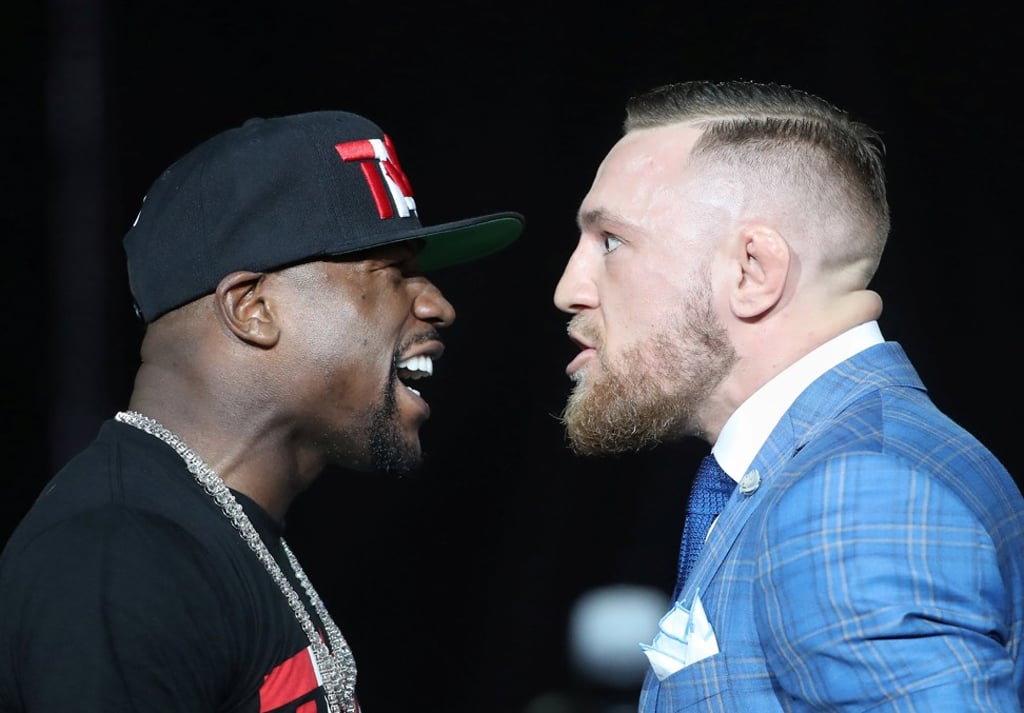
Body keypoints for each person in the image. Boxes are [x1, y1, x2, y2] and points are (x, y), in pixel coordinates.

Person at [0, 110, 524, 712]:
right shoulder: (116, 557)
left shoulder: (217, 530)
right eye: (395, 272)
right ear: (253, 309)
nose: (438, 305)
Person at [553, 79, 1024, 711]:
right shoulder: (826, 465)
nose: (569, 288)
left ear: (753, 271)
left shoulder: (852, 494)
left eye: (611, 241)